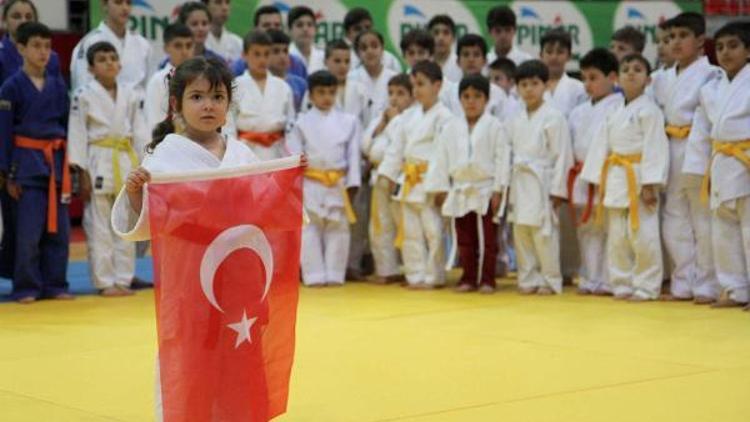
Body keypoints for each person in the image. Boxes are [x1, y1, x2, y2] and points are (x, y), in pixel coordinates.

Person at [111, 57, 277, 419]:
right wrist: (138, 193)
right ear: (177, 104)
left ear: (228, 105)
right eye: (197, 97)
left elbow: (266, 205)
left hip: (238, 280)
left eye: (217, 97)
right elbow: (146, 223)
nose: (208, 106)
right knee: (187, 360)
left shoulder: (242, 154)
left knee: (238, 359)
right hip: (188, 281)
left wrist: (288, 179)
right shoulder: (165, 157)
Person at [581, 53, 669, 301]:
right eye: (626, 69)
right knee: (617, 236)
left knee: (644, 236)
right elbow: (602, 146)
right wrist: (596, 179)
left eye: (638, 69)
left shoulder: (650, 111)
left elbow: (655, 147)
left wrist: (651, 183)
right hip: (616, 175)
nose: (631, 73)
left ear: (648, 80)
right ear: (617, 78)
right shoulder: (614, 112)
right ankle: (621, 283)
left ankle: (647, 286)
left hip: (639, 177)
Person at [67, 41, 148, 297]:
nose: (110, 62)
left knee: (124, 222)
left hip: (125, 159)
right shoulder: (82, 94)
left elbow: (141, 132)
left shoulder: (131, 94)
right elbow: (77, 132)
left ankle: (123, 279)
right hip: (97, 160)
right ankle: (104, 281)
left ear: (120, 64)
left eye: (113, 58)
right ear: (91, 68)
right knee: (99, 225)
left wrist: (145, 164)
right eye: (102, 59)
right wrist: (81, 172)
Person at [0, 22, 72, 303]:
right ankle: (26, 285)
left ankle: (55, 283)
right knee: (27, 232)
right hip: (26, 165)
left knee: (59, 231)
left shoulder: (57, 85)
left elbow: (67, 126)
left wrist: (71, 165)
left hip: (56, 162)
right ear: (20, 48)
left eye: (47, 46)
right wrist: (7, 173)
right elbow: (3, 132)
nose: (43, 52)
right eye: (36, 46)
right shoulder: (10, 87)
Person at [686, 22, 750, 309]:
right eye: (720, 47)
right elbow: (700, 132)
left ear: (748, 50)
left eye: (733, 46)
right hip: (721, 162)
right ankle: (734, 289)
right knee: (723, 231)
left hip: (746, 159)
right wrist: (697, 169)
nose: (725, 53)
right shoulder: (711, 90)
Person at [660, 12, 721, 303]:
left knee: (702, 219)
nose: (675, 42)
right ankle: (682, 283)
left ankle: (707, 285)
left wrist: (704, 156)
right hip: (670, 148)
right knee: (674, 219)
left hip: (697, 148)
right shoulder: (663, 77)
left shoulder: (712, 74)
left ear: (700, 40)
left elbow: (711, 118)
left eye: (683, 36)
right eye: (671, 37)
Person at [426, 74, 506, 293]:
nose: (471, 101)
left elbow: (502, 159)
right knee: (464, 238)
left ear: (487, 100)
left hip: (486, 188)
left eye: (477, 96)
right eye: (466, 96)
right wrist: (441, 187)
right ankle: (468, 277)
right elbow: (440, 158)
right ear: (460, 99)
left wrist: (499, 189)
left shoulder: (495, 126)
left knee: (488, 239)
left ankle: (487, 279)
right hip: (460, 187)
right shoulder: (451, 127)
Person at [379, 61, 453, 289]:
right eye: (414, 84)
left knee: (433, 232)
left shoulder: (445, 117)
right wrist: (389, 176)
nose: (416, 90)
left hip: (431, 180)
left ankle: (434, 276)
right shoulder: (408, 117)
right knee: (411, 232)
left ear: (437, 86)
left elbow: (445, 153)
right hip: (408, 180)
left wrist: (442, 186)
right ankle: (415, 275)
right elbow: (396, 149)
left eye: (421, 84)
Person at [502, 60, 573, 295]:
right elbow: (506, 152)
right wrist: (503, 185)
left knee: (544, 234)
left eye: (534, 84)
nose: (529, 89)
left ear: (546, 86)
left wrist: (558, 190)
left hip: (542, 180)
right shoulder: (514, 118)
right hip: (520, 179)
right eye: (523, 84)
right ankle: (527, 277)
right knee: (521, 231)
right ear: (517, 88)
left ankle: (550, 279)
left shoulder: (554, 117)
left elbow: (562, 156)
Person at [287, 70, 361, 287]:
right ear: (310, 95)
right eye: (321, 92)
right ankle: (314, 275)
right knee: (310, 228)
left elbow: (353, 156)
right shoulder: (300, 123)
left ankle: (335, 274)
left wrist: (353, 183)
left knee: (338, 227)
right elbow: (294, 155)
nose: (327, 97)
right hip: (310, 181)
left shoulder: (349, 121)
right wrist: (294, 186)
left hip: (338, 182)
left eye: (331, 92)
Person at [568, 48, 623, 295]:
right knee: (586, 228)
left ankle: (609, 278)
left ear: (612, 77)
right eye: (584, 78)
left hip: (608, 174)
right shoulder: (579, 111)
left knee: (610, 229)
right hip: (581, 175)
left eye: (593, 77)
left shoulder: (620, 106)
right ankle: (590, 276)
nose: (587, 84)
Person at [363, 74, 415, 283]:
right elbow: (366, 147)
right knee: (379, 225)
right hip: (379, 177)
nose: (394, 98)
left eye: (401, 94)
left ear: (412, 97)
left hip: (400, 178)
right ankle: (386, 271)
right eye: (391, 93)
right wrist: (383, 124)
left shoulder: (411, 119)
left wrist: (394, 121)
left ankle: (412, 271)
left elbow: (405, 149)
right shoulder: (380, 118)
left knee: (403, 225)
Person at [233, 30, 295, 160]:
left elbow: (291, 125)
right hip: (245, 151)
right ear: (244, 55)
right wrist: (233, 155)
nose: (262, 60)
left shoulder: (283, 87)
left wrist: (293, 155)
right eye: (256, 54)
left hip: (277, 151)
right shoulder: (235, 86)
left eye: (266, 54)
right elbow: (229, 125)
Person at [70, 0, 151, 91]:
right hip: (99, 103)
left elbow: (149, 86)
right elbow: (82, 86)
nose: (125, 8)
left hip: (137, 103)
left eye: (128, 3)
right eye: (118, 2)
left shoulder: (142, 44)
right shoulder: (88, 43)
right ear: (104, 5)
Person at [443, 34, 519, 123]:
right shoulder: (448, 94)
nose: (471, 59)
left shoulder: (497, 93)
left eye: (476, 55)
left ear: (485, 61)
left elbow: (504, 126)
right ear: (458, 61)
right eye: (466, 54)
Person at [145, 23, 194, 132]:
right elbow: (154, 123)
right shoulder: (158, 81)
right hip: (167, 143)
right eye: (178, 46)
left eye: (189, 45)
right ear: (166, 48)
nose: (185, 51)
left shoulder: (201, 79)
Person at [348, 30, 399, 129]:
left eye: (374, 46)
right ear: (357, 53)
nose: (369, 51)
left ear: (382, 49)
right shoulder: (351, 79)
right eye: (364, 48)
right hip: (359, 138)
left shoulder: (395, 78)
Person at [0, 0, 60, 83]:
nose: (23, 21)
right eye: (16, 16)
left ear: (36, 21)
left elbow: (59, 92)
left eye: (28, 17)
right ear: (4, 20)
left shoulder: (51, 57)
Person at [540, 28, 587, 118]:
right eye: (549, 52)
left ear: (569, 56)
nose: (554, 57)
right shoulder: (531, 87)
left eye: (560, 52)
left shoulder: (579, 89)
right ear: (541, 55)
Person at [343, 7, 402, 73]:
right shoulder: (342, 60)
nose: (364, 32)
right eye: (358, 29)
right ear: (347, 34)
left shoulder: (390, 60)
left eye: (367, 27)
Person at [267, 29, 307, 113]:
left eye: (285, 51)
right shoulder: (261, 84)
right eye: (276, 51)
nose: (282, 56)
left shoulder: (301, 84)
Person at [287, 6, 325, 74]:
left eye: (309, 25)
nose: (305, 29)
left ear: (316, 30)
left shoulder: (324, 56)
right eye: (299, 25)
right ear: (290, 30)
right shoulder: (285, 56)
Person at [428, 14, 463, 83]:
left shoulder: (461, 65)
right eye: (436, 33)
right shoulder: (423, 64)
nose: (441, 38)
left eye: (446, 33)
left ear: (453, 38)